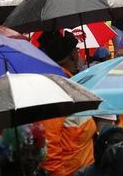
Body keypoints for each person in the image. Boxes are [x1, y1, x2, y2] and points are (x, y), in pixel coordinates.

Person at [36, 31, 97, 176]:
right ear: (72, 56)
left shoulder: (69, 85)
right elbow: (49, 147)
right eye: (77, 51)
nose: (80, 55)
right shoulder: (55, 90)